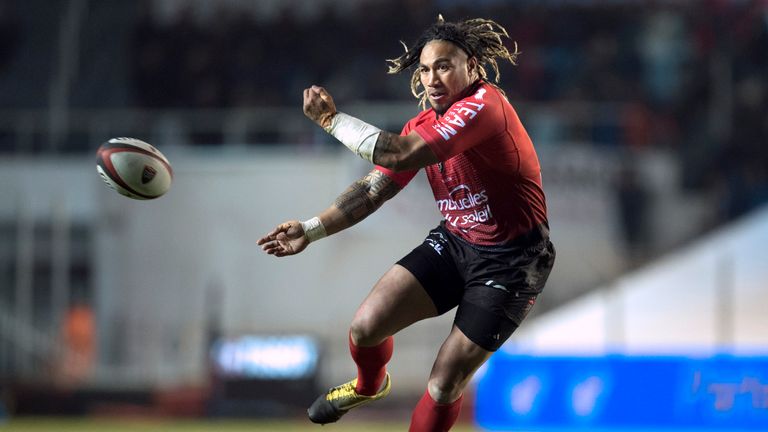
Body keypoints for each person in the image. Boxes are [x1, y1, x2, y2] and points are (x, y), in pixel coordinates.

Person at [258, 15, 555, 432]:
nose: (433, 78)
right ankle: (369, 385)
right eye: (425, 70)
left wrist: (331, 121)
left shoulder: (484, 107)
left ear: (471, 66)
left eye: (444, 66)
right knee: (365, 329)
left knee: (443, 383)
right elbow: (374, 191)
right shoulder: (422, 124)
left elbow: (397, 154)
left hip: (512, 260)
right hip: (456, 242)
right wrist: (310, 229)